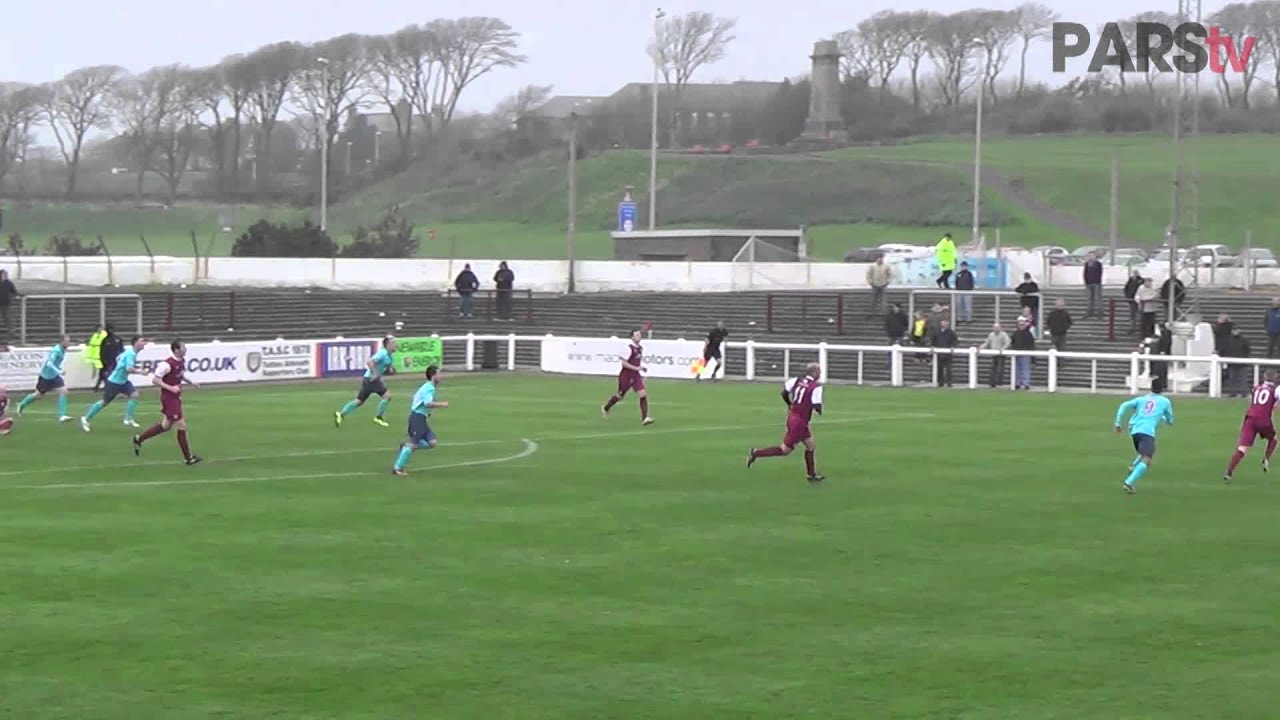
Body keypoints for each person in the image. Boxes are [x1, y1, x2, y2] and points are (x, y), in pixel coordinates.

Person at [747, 362, 824, 483]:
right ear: (814, 372)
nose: (820, 373)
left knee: (811, 445)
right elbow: (816, 404)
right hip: (800, 422)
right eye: (819, 371)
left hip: (793, 416)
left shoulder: (796, 380)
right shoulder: (816, 386)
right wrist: (819, 411)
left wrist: (790, 403)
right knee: (785, 450)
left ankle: (811, 474)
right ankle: (756, 453)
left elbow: (784, 392)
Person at [132, 339, 202, 465]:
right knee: (181, 426)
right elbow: (155, 380)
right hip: (169, 399)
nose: (185, 349)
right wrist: (171, 388)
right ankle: (188, 458)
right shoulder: (166, 364)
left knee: (166, 426)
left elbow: (180, 375)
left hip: (175, 398)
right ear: (176, 349)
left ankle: (139, 439)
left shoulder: (181, 362)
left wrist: (191, 382)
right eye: (183, 347)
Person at [1114, 376, 1174, 494]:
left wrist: (1118, 423)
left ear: (1150, 388)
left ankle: (1133, 466)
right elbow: (1170, 420)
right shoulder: (1165, 401)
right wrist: (1164, 418)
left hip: (1134, 431)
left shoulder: (1141, 399)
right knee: (1147, 459)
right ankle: (1129, 483)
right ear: (1162, 389)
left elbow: (1123, 406)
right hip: (1147, 431)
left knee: (1145, 452)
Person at [392, 364, 449, 476]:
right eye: (439, 374)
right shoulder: (429, 388)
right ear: (433, 375)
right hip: (417, 418)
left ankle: (405, 446)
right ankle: (397, 467)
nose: (441, 376)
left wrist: (425, 413)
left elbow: (417, 399)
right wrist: (442, 404)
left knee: (432, 443)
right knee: (413, 444)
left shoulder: (427, 387)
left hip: (421, 418)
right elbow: (428, 403)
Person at [1224, 369, 1279, 483]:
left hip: (1250, 418)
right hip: (1264, 420)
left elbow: (1255, 403)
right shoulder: (1276, 389)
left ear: (1264, 377)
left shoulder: (1256, 388)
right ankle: (1266, 459)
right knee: (1273, 439)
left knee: (1242, 448)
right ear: (1275, 378)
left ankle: (1229, 471)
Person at [81, 336, 147, 431]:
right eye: (142, 341)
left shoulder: (129, 352)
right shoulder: (131, 354)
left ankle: (129, 419)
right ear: (136, 343)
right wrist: (141, 372)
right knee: (104, 402)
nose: (144, 343)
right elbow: (129, 369)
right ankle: (86, 418)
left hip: (122, 381)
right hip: (115, 382)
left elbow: (118, 358)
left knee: (134, 395)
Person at [336, 336, 398, 427]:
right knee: (387, 396)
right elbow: (370, 362)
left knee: (359, 401)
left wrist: (392, 371)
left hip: (368, 379)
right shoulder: (382, 353)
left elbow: (388, 371)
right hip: (371, 379)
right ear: (387, 345)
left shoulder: (390, 357)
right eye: (393, 343)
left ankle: (340, 414)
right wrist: (375, 374)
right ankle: (378, 417)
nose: (396, 345)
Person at [601, 329, 653, 425]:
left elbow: (636, 362)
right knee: (620, 396)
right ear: (632, 337)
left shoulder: (640, 348)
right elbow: (624, 364)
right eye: (637, 335)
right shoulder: (628, 348)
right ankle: (606, 407)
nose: (639, 336)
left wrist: (641, 368)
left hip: (635, 375)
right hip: (626, 375)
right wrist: (637, 368)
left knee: (643, 393)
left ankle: (645, 418)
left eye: (640, 334)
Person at [15, 335, 72, 422]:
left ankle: (62, 415)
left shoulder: (62, 349)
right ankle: (21, 404)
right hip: (46, 377)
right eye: (67, 341)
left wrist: (57, 371)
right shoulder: (56, 351)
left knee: (64, 391)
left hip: (54, 376)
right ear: (62, 342)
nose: (69, 343)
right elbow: (49, 363)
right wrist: (58, 371)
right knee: (37, 395)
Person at [980, 322, 1011, 388]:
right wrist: (980, 348)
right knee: (992, 369)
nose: (996, 328)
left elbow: (1007, 342)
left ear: (1000, 328)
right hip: (994, 354)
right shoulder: (991, 335)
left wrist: (1002, 349)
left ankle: (999, 382)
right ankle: (992, 383)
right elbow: (986, 343)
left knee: (1000, 369)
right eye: (994, 327)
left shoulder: (1004, 334)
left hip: (1001, 355)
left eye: (997, 327)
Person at [932, 318, 958, 387]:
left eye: (946, 322)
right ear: (941, 323)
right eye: (944, 322)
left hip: (948, 353)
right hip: (939, 353)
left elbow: (955, 340)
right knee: (939, 368)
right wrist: (933, 346)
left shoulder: (951, 332)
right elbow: (933, 340)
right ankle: (940, 382)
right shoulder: (937, 332)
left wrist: (953, 346)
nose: (945, 323)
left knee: (949, 369)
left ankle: (949, 382)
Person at [98, 325, 124, 392]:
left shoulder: (118, 339)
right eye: (108, 330)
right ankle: (108, 388)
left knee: (118, 375)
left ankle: (119, 389)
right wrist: (103, 360)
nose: (110, 331)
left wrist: (121, 359)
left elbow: (122, 350)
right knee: (108, 375)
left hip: (117, 361)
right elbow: (101, 352)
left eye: (111, 329)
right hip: (108, 362)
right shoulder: (104, 340)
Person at [1011, 317, 1035, 390]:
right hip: (1017, 353)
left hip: (1026, 353)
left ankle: (1026, 383)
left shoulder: (1029, 334)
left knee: (1025, 368)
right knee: (1017, 369)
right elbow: (1013, 343)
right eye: (1020, 325)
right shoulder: (1015, 333)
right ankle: (1017, 383)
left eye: (1023, 325)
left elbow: (1031, 344)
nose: (1021, 326)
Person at [0, 269, 18, 346]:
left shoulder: (9, 283)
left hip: (6, 305)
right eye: (3, 274)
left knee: (10, 322)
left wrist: (19, 295)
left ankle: (10, 339)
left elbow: (14, 292)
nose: (4, 276)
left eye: (5, 274)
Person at [1083, 252, 1104, 318]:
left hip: (1096, 283)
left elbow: (1099, 273)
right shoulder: (1087, 264)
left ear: (1095, 256)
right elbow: (1085, 273)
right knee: (1090, 298)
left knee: (1097, 298)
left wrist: (1097, 281)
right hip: (1089, 283)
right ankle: (1090, 311)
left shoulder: (1098, 264)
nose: (1091, 257)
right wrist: (1086, 281)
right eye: (1090, 256)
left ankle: (1100, 312)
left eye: (1092, 255)